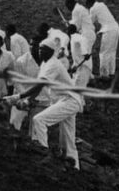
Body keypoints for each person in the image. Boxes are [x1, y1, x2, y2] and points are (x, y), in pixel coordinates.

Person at [15, 39, 84, 170]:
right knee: (69, 140)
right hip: (64, 101)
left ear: (51, 52)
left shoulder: (53, 64)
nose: (40, 51)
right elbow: (40, 86)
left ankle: (44, 153)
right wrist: (28, 100)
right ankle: (75, 169)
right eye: (39, 49)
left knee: (39, 119)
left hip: (70, 100)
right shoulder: (44, 64)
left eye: (43, 49)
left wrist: (20, 97)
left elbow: (40, 85)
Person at [87, 0, 119, 82]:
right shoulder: (102, 4)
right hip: (116, 28)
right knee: (112, 52)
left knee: (104, 53)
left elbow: (89, 22)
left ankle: (104, 75)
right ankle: (111, 72)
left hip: (108, 30)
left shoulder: (93, 9)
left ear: (89, 4)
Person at [66, 23, 93, 89]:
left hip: (84, 67)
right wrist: (74, 66)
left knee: (77, 90)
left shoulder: (76, 37)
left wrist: (85, 53)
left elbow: (82, 41)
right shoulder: (73, 38)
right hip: (80, 66)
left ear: (69, 32)